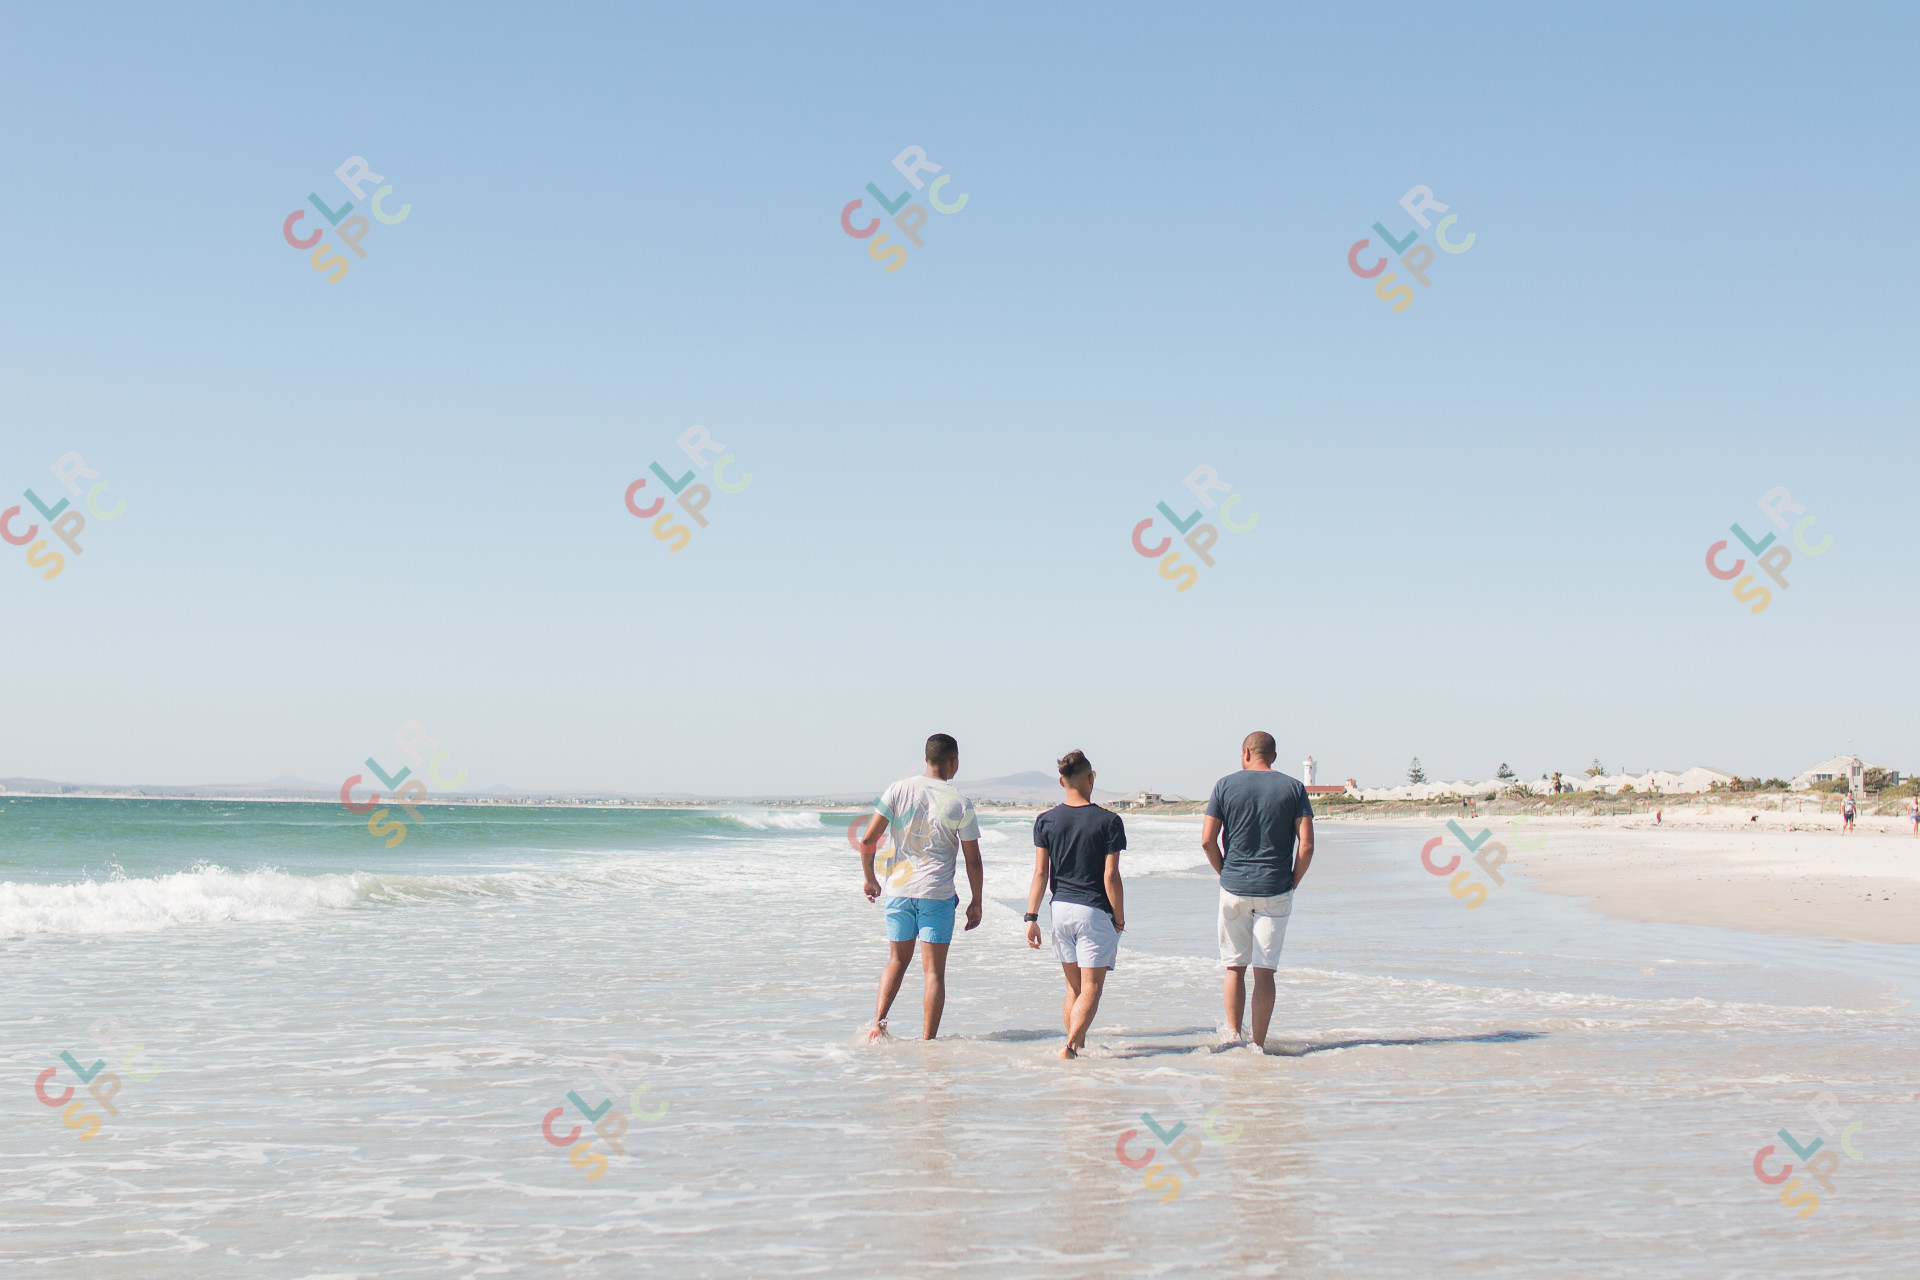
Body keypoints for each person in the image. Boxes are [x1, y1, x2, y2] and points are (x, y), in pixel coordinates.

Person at [854, 733, 983, 1042]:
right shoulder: (959, 802)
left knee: (896, 961)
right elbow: (973, 860)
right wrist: (976, 900)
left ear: (926, 759)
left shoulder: (898, 789)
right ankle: (928, 1042)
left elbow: (869, 839)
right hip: (936, 895)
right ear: (953, 761)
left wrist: (870, 878)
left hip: (899, 891)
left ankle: (878, 1024)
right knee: (933, 973)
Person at [1201, 731, 1314, 1051]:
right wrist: (1293, 880)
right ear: (1273, 756)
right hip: (1275, 889)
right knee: (1265, 972)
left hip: (1234, 887)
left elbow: (1207, 841)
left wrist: (1225, 873)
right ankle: (1258, 1045)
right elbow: (1306, 845)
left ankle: (1233, 1037)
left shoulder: (1224, 785)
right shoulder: (1294, 787)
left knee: (1234, 967)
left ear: (1245, 753)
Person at [1024, 749, 1127, 1060]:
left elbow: (1041, 872)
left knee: (1073, 989)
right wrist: (1119, 917)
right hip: (1093, 911)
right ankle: (1069, 1047)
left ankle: (1076, 1048)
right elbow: (1111, 876)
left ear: (1061, 781)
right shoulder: (1109, 821)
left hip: (1060, 910)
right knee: (1092, 989)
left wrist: (1031, 916)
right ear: (1091, 778)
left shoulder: (1046, 821)